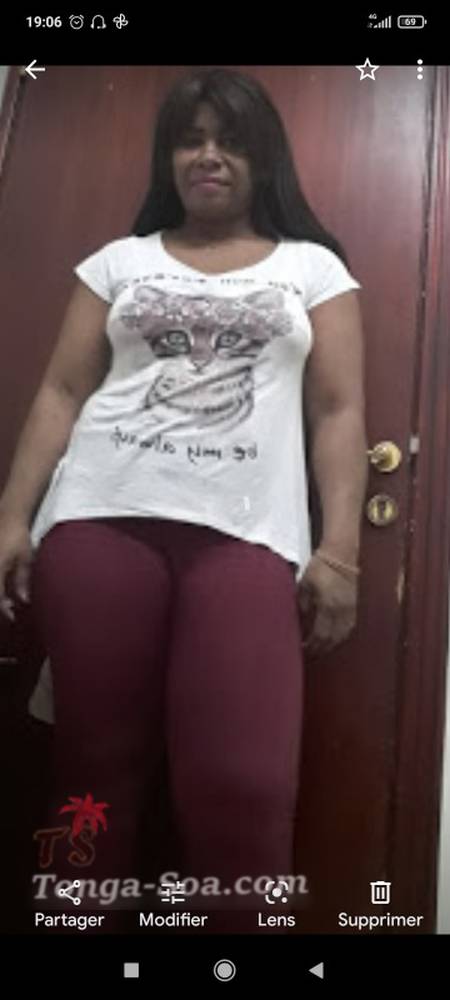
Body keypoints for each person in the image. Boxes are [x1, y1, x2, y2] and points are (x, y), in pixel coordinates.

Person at [0, 67, 367, 934]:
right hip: (98, 523)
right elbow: (61, 390)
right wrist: (12, 516)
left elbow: (338, 411)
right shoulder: (118, 262)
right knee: (92, 775)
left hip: (247, 538)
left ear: (262, 159)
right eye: (190, 140)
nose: (209, 156)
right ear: (168, 158)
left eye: (231, 141)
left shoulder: (313, 269)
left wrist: (341, 551)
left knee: (244, 782)